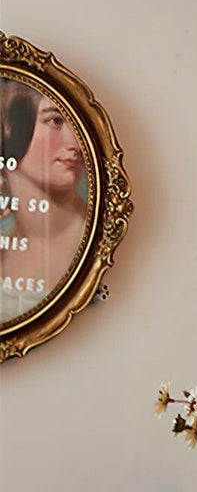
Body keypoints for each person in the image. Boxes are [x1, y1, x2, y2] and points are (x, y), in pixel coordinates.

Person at [0, 78, 88, 325]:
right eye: (56, 121)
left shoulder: (90, 236)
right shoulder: (5, 238)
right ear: (13, 127)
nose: (76, 143)